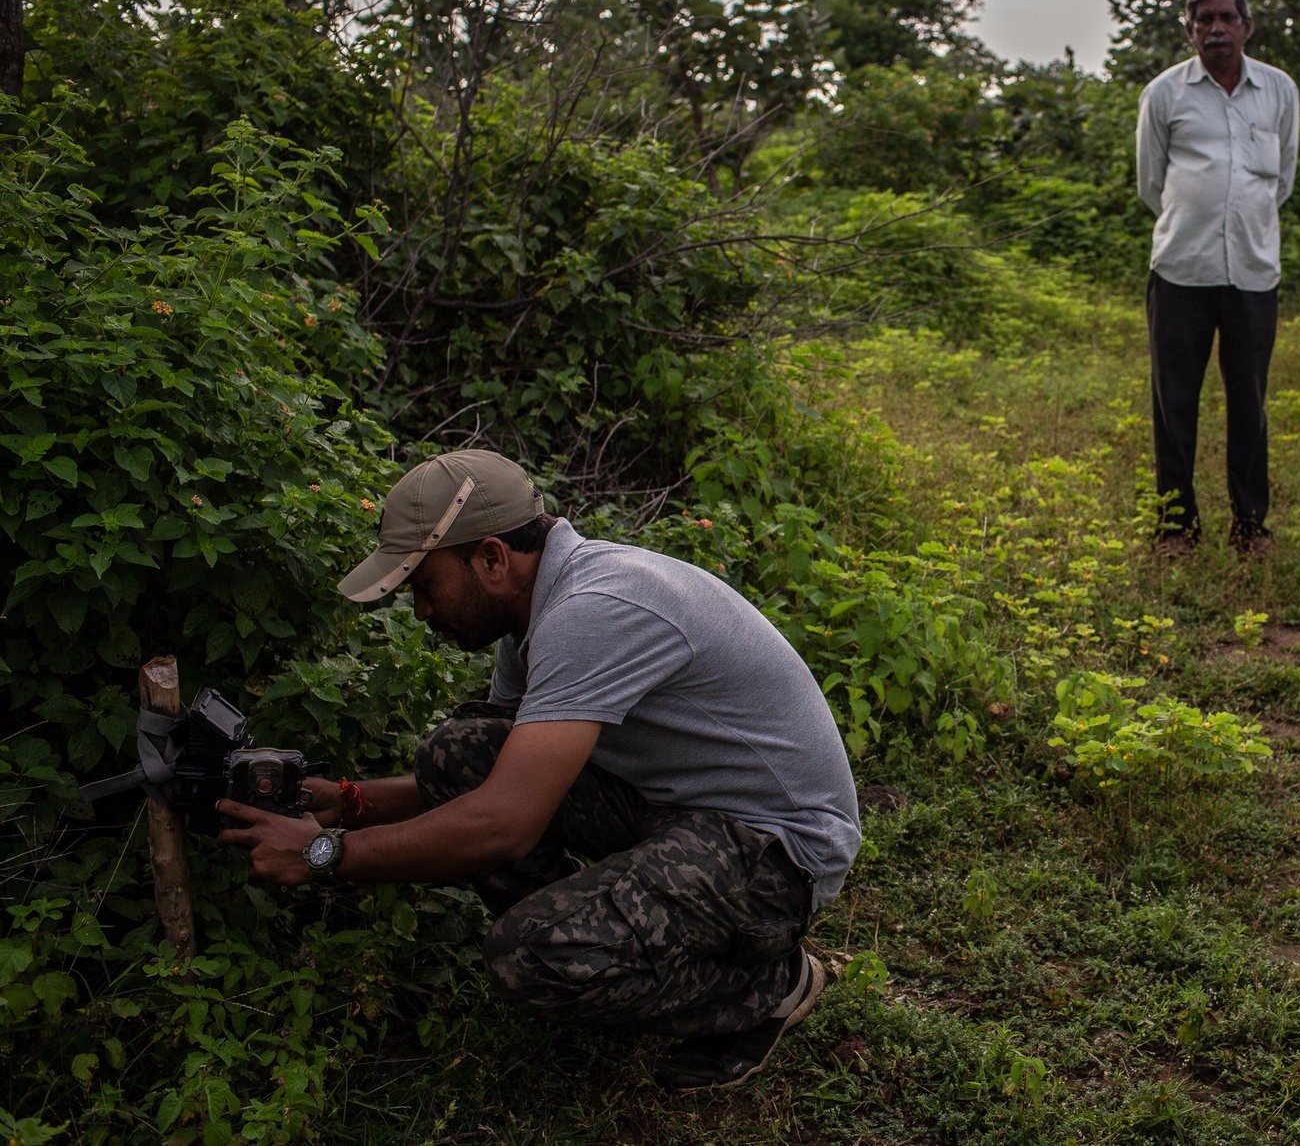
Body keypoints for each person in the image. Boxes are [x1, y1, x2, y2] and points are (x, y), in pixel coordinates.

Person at [217, 449, 861, 1092]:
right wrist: (351, 802)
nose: (420, 610)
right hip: (677, 810)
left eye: (423, 585)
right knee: (460, 753)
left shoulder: (596, 609)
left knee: (530, 958)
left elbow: (505, 822)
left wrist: (325, 852)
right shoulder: (539, 613)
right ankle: (608, 937)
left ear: (492, 558)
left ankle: (766, 986)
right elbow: (498, 781)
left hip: (775, 847)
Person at [1135, 0, 1300, 556]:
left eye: (1227, 18)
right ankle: (1176, 529)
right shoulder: (1165, 94)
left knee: (1249, 402)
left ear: (1247, 27)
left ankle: (1250, 525)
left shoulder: (1278, 91)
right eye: (1203, 20)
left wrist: (1240, 224)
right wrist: (1200, 219)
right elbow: (1151, 184)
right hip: (1181, 269)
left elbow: (1282, 182)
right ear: (1190, 30)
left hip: (1254, 274)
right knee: (1173, 401)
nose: (1216, 29)